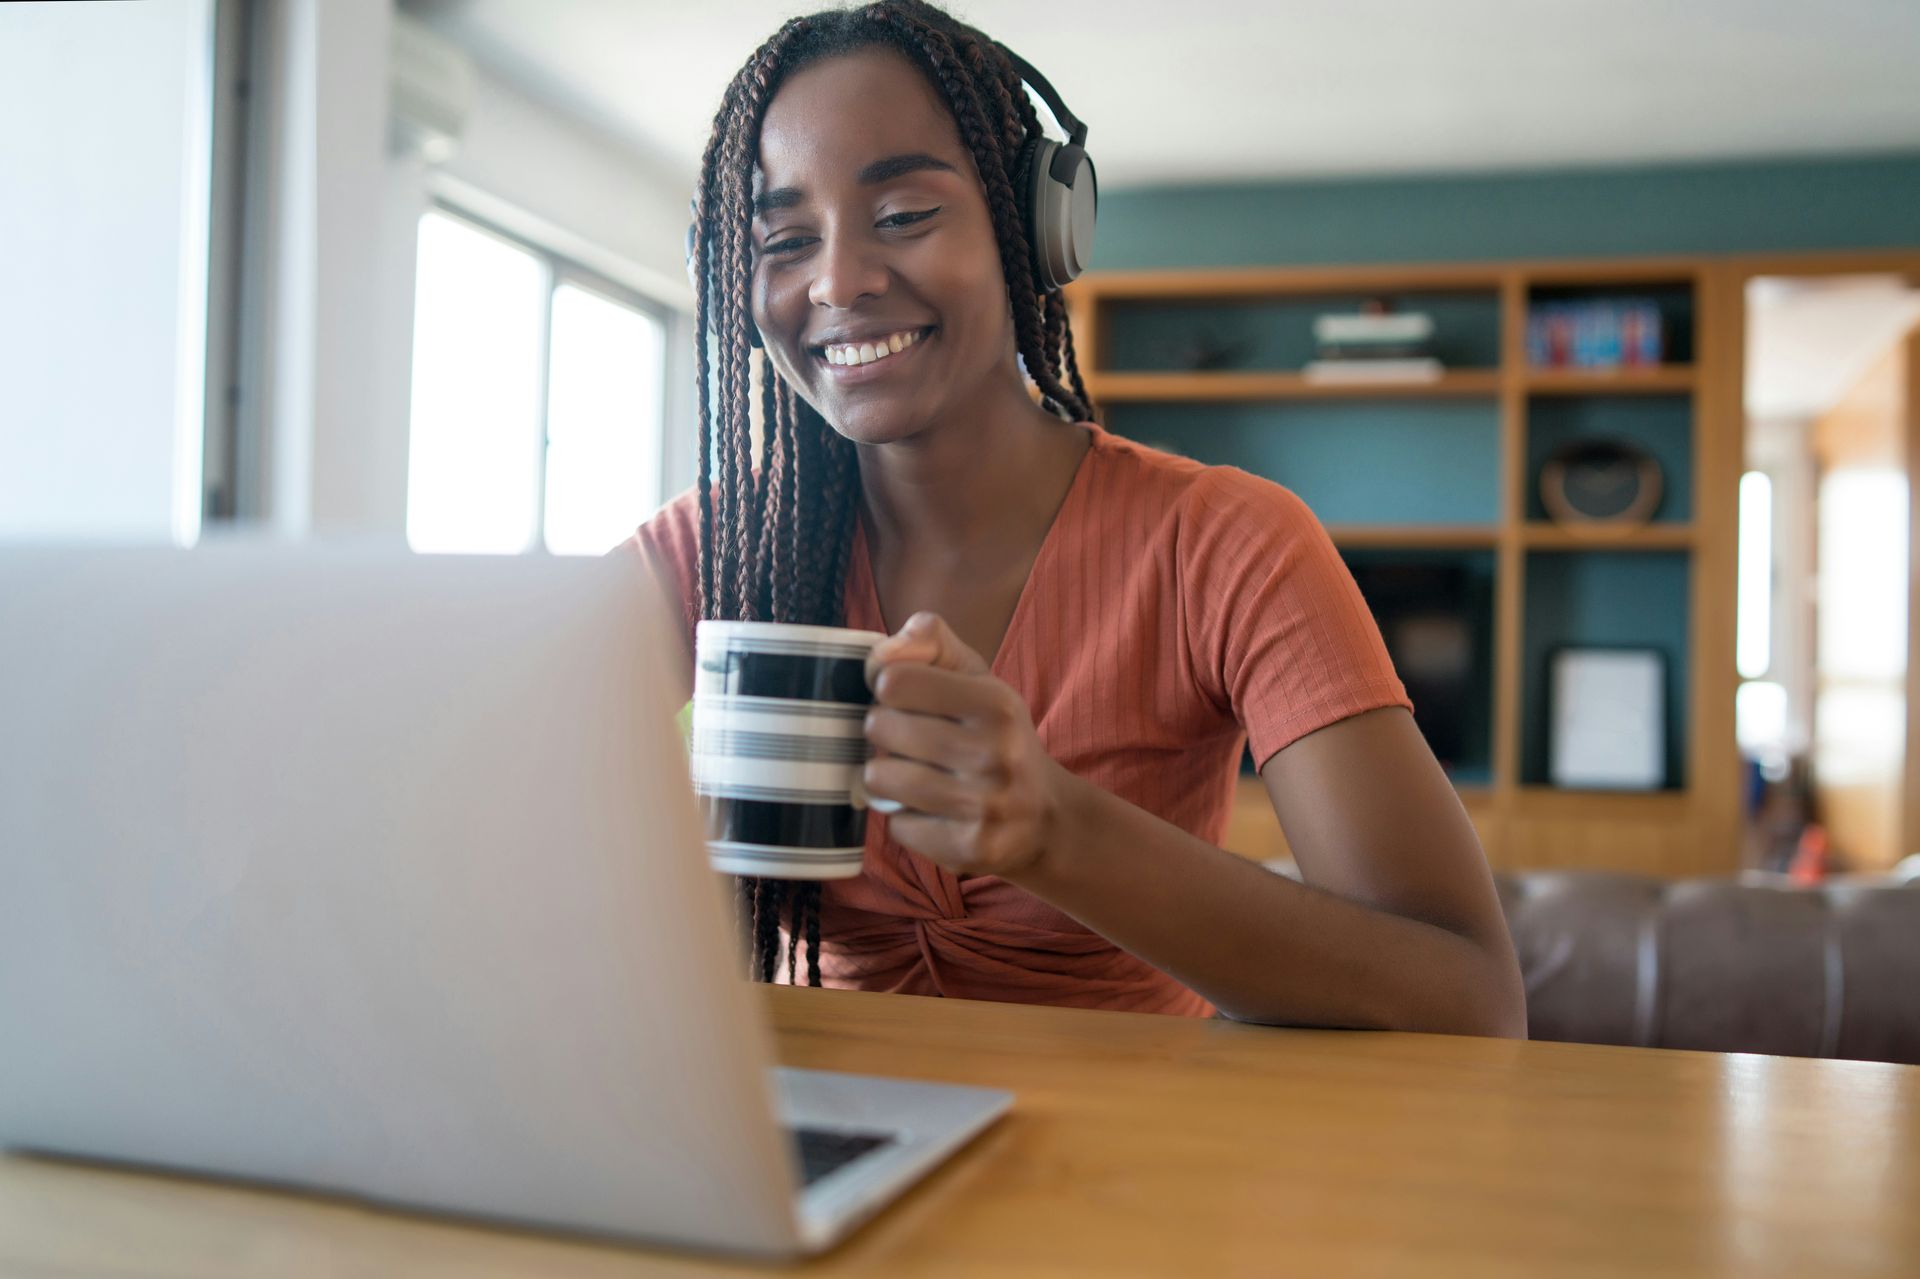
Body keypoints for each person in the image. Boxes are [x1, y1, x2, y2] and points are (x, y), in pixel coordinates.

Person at [624, 0, 1525, 1036]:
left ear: (1034, 228)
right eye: (783, 239)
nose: (838, 282)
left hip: (1124, 1177)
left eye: (905, 214)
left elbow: (1469, 1002)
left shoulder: (1227, 544)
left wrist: (1055, 830)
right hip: (814, 1170)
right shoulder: (707, 554)